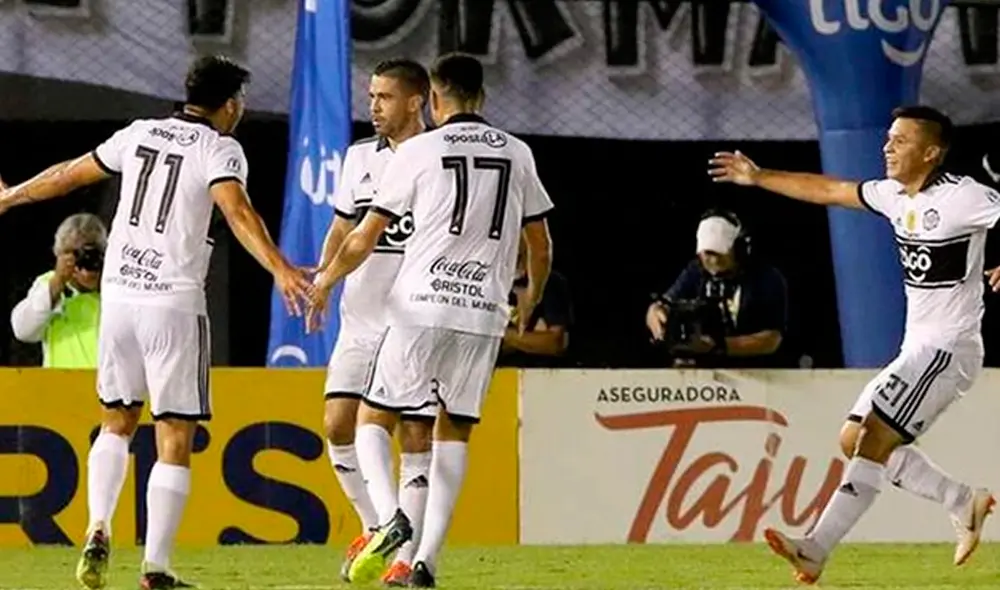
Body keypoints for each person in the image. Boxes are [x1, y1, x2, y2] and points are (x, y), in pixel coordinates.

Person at [0, 55, 309, 589]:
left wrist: (11, 195)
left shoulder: (138, 133)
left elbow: (68, 175)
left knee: (115, 421)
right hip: (172, 302)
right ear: (229, 104)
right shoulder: (220, 148)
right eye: (241, 100)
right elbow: (238, 212)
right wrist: (280, 267)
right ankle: (156, 568)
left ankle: (98, 525)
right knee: (174, 434)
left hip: (120, 298)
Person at [709, 105, 996, 584]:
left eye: (900, 141)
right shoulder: (893, 195)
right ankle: (961, 500)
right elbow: (830, 190)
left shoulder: (963, 196)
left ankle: (815, 548)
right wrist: (758, 177)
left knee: (875, 433)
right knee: (852, 438)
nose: (888, 147)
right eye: (888, 138)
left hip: (949, 349)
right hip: (917, 349)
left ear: (931, 152)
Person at [308, 53, 554, 588]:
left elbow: (364, 235)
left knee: (373, 420)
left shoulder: (420, 150)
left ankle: (388, 520)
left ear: (433, 99)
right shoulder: (518, 151)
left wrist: (325, 280)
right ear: (481, 94)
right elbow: (540, 245)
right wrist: (530, 299)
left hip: (420, 307)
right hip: (484, 314)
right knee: (454, 433)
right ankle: (425, 562)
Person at [308, 58, 436, 586]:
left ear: (415, 100)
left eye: (385, 97)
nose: (374, 107)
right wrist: (323, 280)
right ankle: (375, 525)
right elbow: (343, 229)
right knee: (337, 423)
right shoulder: (360, 157)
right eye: (371, 97)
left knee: (414, 434)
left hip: (414, 321)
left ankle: (405, 559)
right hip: (360, 318)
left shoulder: (440, 156)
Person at [645, 209, 788, 368]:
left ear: (739, 249)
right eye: (707, 253)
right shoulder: (695, 272)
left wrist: (720, 346)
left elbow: (772, 339)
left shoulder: (766, 278)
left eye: (719, 252)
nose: (712, 259)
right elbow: (663, 304)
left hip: (757, 371)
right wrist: (657, 316)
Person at [10, 213, 106, 368]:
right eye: (77, 254)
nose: (85, 261)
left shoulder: (115, 286)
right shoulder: (49, 283)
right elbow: (23, 330)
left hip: (107, 381)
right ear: (60, 254)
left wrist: (101, 286)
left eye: (92, 254)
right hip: (60, 380)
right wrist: (57, 284)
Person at [497, 236, 572, 367]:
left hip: (540, 373)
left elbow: (555, 344)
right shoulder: (488, 283)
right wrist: (528, 339)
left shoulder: (551, 282)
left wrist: (502, 336)